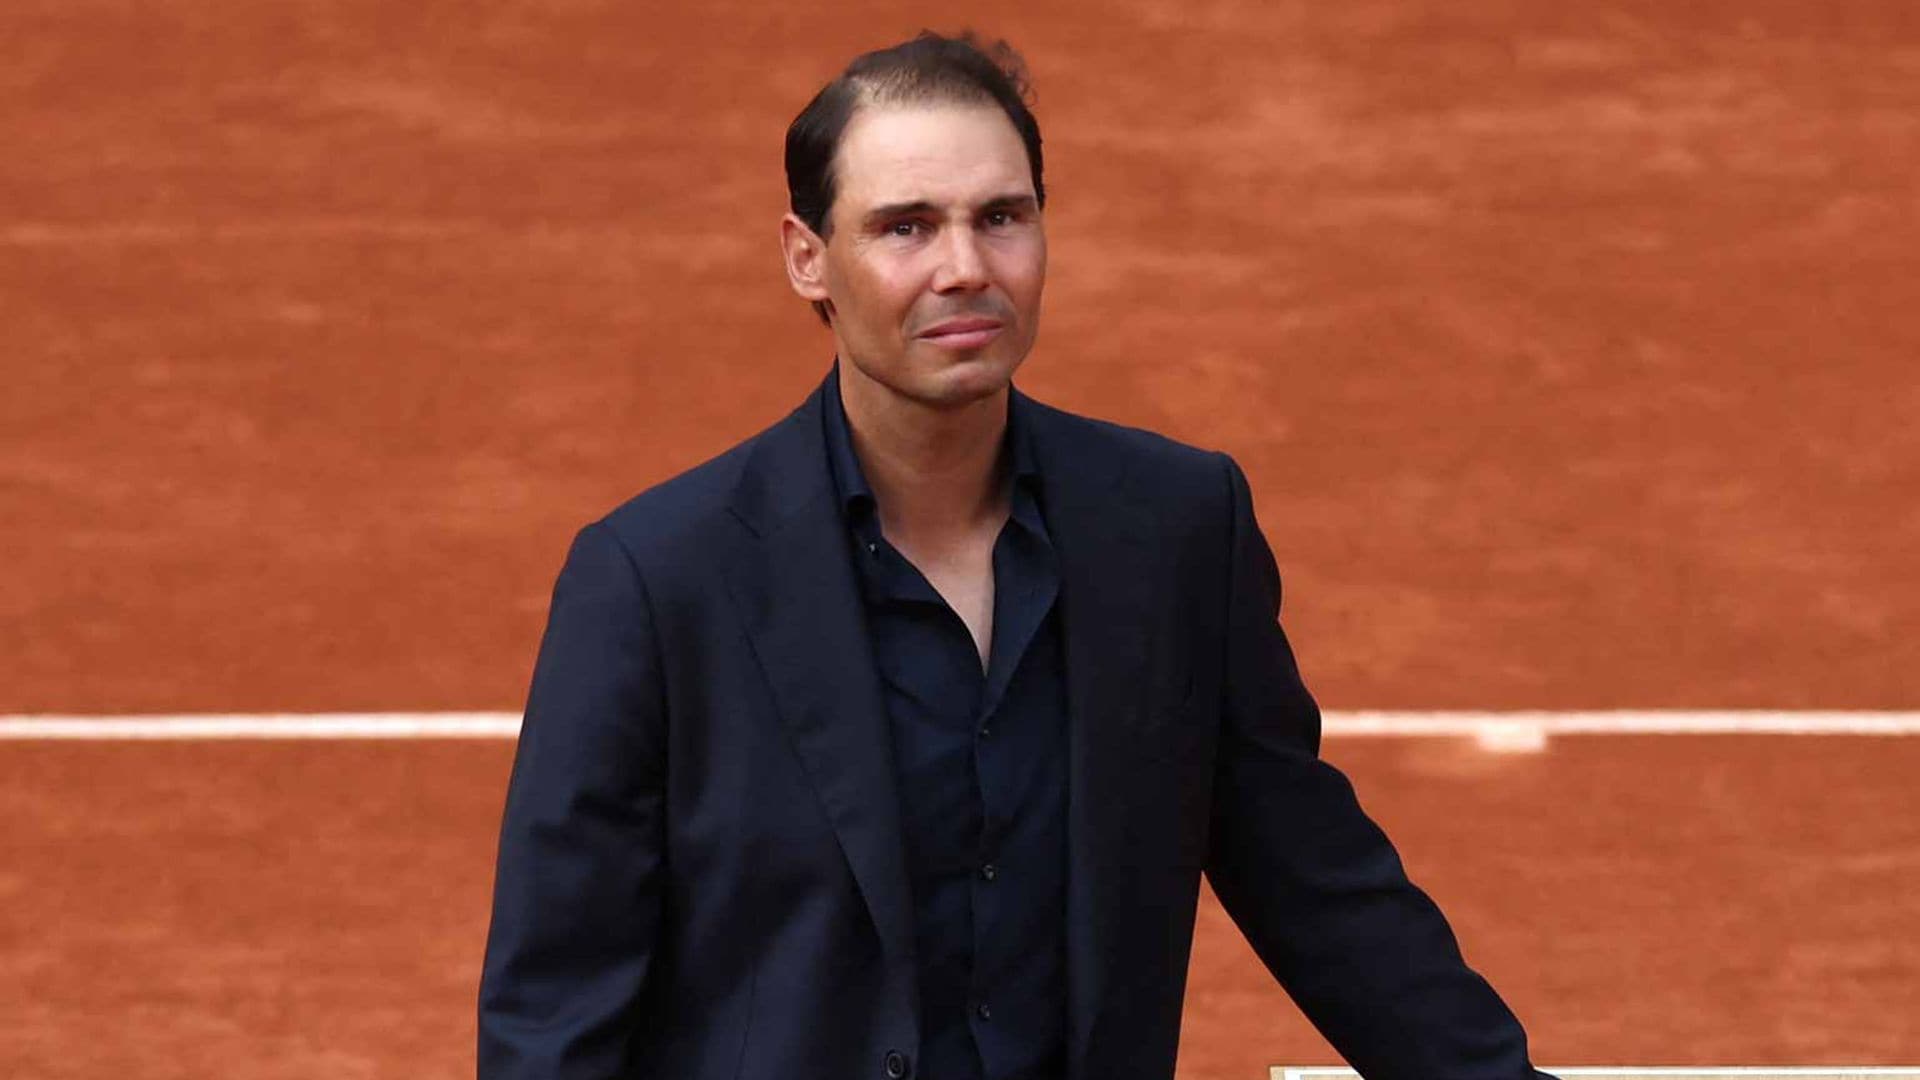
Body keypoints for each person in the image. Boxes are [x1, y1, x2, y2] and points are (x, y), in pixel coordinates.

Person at [478, 30, 1550, 1080]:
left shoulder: (1175, 529)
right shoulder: (656, 579)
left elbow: (1312, 877)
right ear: (809, 260)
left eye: (1001, 217)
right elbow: (557, 997)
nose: (964, 269)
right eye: (905, 228)